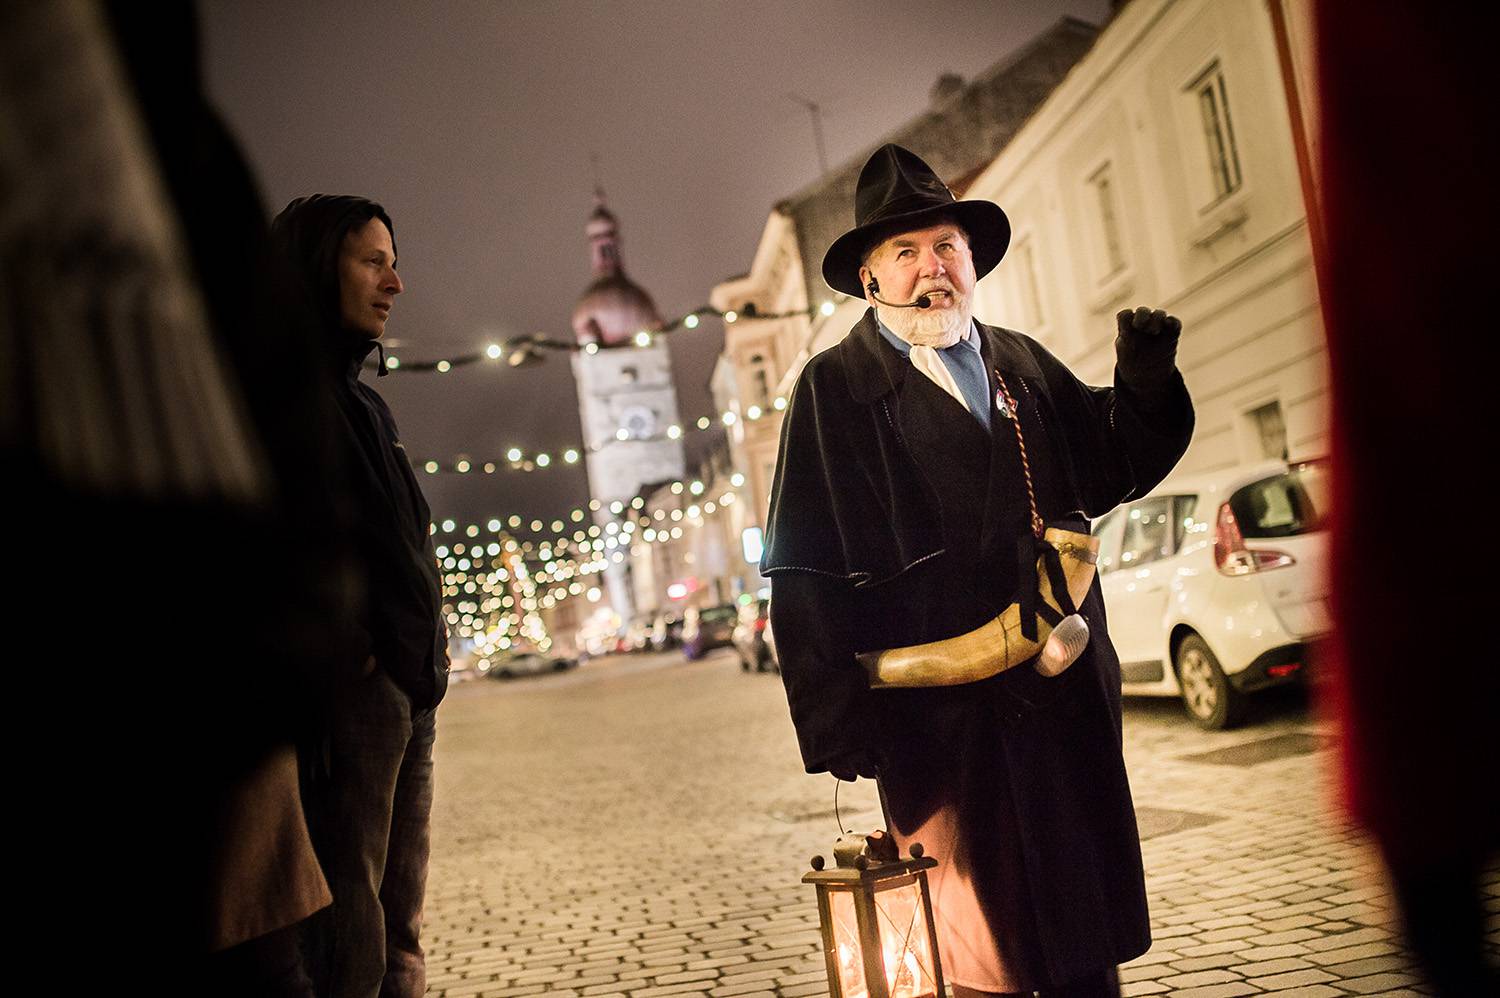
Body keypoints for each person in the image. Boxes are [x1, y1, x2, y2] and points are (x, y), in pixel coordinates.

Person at [762, 144, 1194, 997]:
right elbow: (802, 567)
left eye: (947, 247)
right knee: (977, 946)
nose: (933, 270)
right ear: (870, 280)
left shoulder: (1020, 362)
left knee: (1080, 941)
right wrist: (840, 724)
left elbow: (1109, 466)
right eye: (906, 252)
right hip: (940, 724)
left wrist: (1143, 387)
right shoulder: (831, 388)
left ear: (970, 261)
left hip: (1060, 695)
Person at [270, 194, 449, 998]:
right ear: (318, 267)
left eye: (394, 260)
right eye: (372, 261)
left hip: (407, 694)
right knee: (351, 931)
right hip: (354, 700)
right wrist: (355, 655)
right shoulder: (276, 396)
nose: (395, 282)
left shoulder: (364, 402)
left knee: (398, 925)